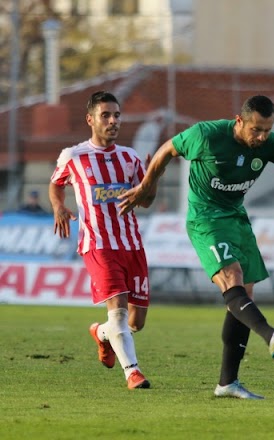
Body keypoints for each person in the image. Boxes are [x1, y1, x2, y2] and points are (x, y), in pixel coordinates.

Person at [117, 95, 274, 399]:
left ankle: (227, 383)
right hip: (205, 219)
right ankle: (271, 334)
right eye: (256, 130)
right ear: (239, 121)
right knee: (232, 276)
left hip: (236, 219)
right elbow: (167, 149)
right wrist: (147, 186)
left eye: (267, 129)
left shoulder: (271, 145)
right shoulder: (207, 136)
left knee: (243, 296)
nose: (262, 137)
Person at [49, 91, 156, 390]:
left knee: (136, 323)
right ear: (90, 119)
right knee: (119, 311)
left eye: (117, 115)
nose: (113, 121)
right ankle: (132, 372)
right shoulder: (74, 155)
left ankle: (102, 334)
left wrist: (151, 181)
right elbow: (55, 184)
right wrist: (59, 206)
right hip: (98, 244)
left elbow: (145, 202)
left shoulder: (131, 157)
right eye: (106, 115)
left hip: (132, 245)